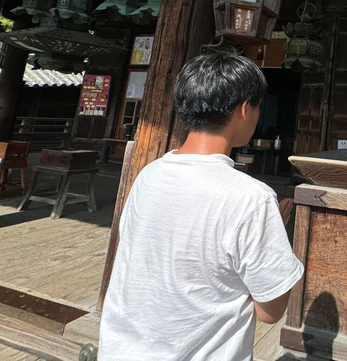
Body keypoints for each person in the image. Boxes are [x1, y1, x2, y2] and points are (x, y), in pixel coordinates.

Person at [99, 52, 303, 360]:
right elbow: (270, 311)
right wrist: (273, 233)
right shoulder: (252, 198)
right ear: (244, 109)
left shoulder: (149, 174)